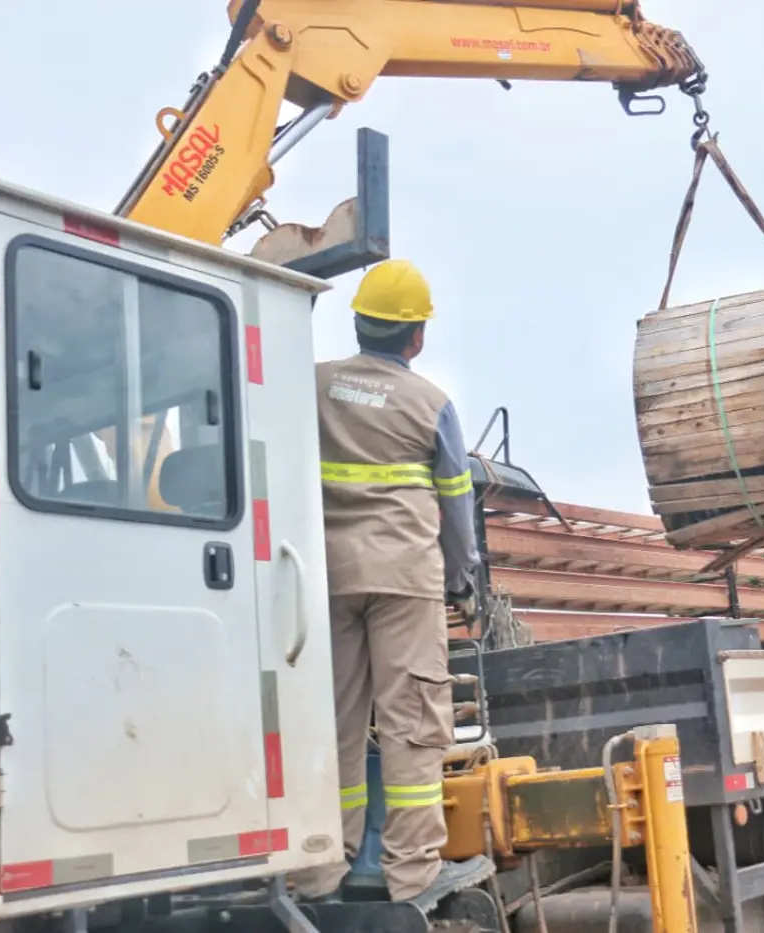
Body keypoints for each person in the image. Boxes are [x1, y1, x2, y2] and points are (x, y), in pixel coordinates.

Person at [301, 259, 491, 906]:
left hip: (323, 578)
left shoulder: (312, 385)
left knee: (334, 722)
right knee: (412, 722)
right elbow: (457, 505)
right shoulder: (431, 404)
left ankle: (321, 871)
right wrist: (462, 580)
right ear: (417, 336)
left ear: (357, 322)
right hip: (405, 579)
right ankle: (411, 875)